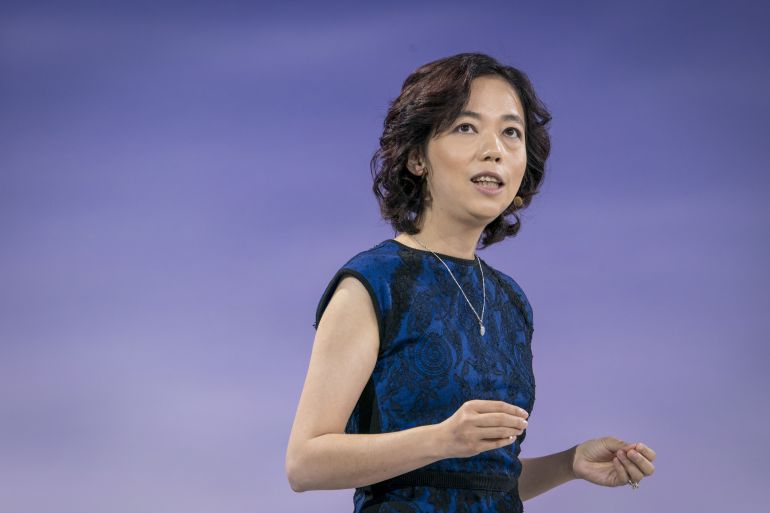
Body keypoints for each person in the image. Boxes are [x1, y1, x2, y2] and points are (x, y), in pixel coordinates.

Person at [285, 52, 656, 512]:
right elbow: (304, 464)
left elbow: (486, 482)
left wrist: (570, 464)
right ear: (417, 157)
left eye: (511, 132)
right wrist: (441, 439)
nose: (494, 148)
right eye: (466, 127)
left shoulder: (510, 300)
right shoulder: (373, 283)